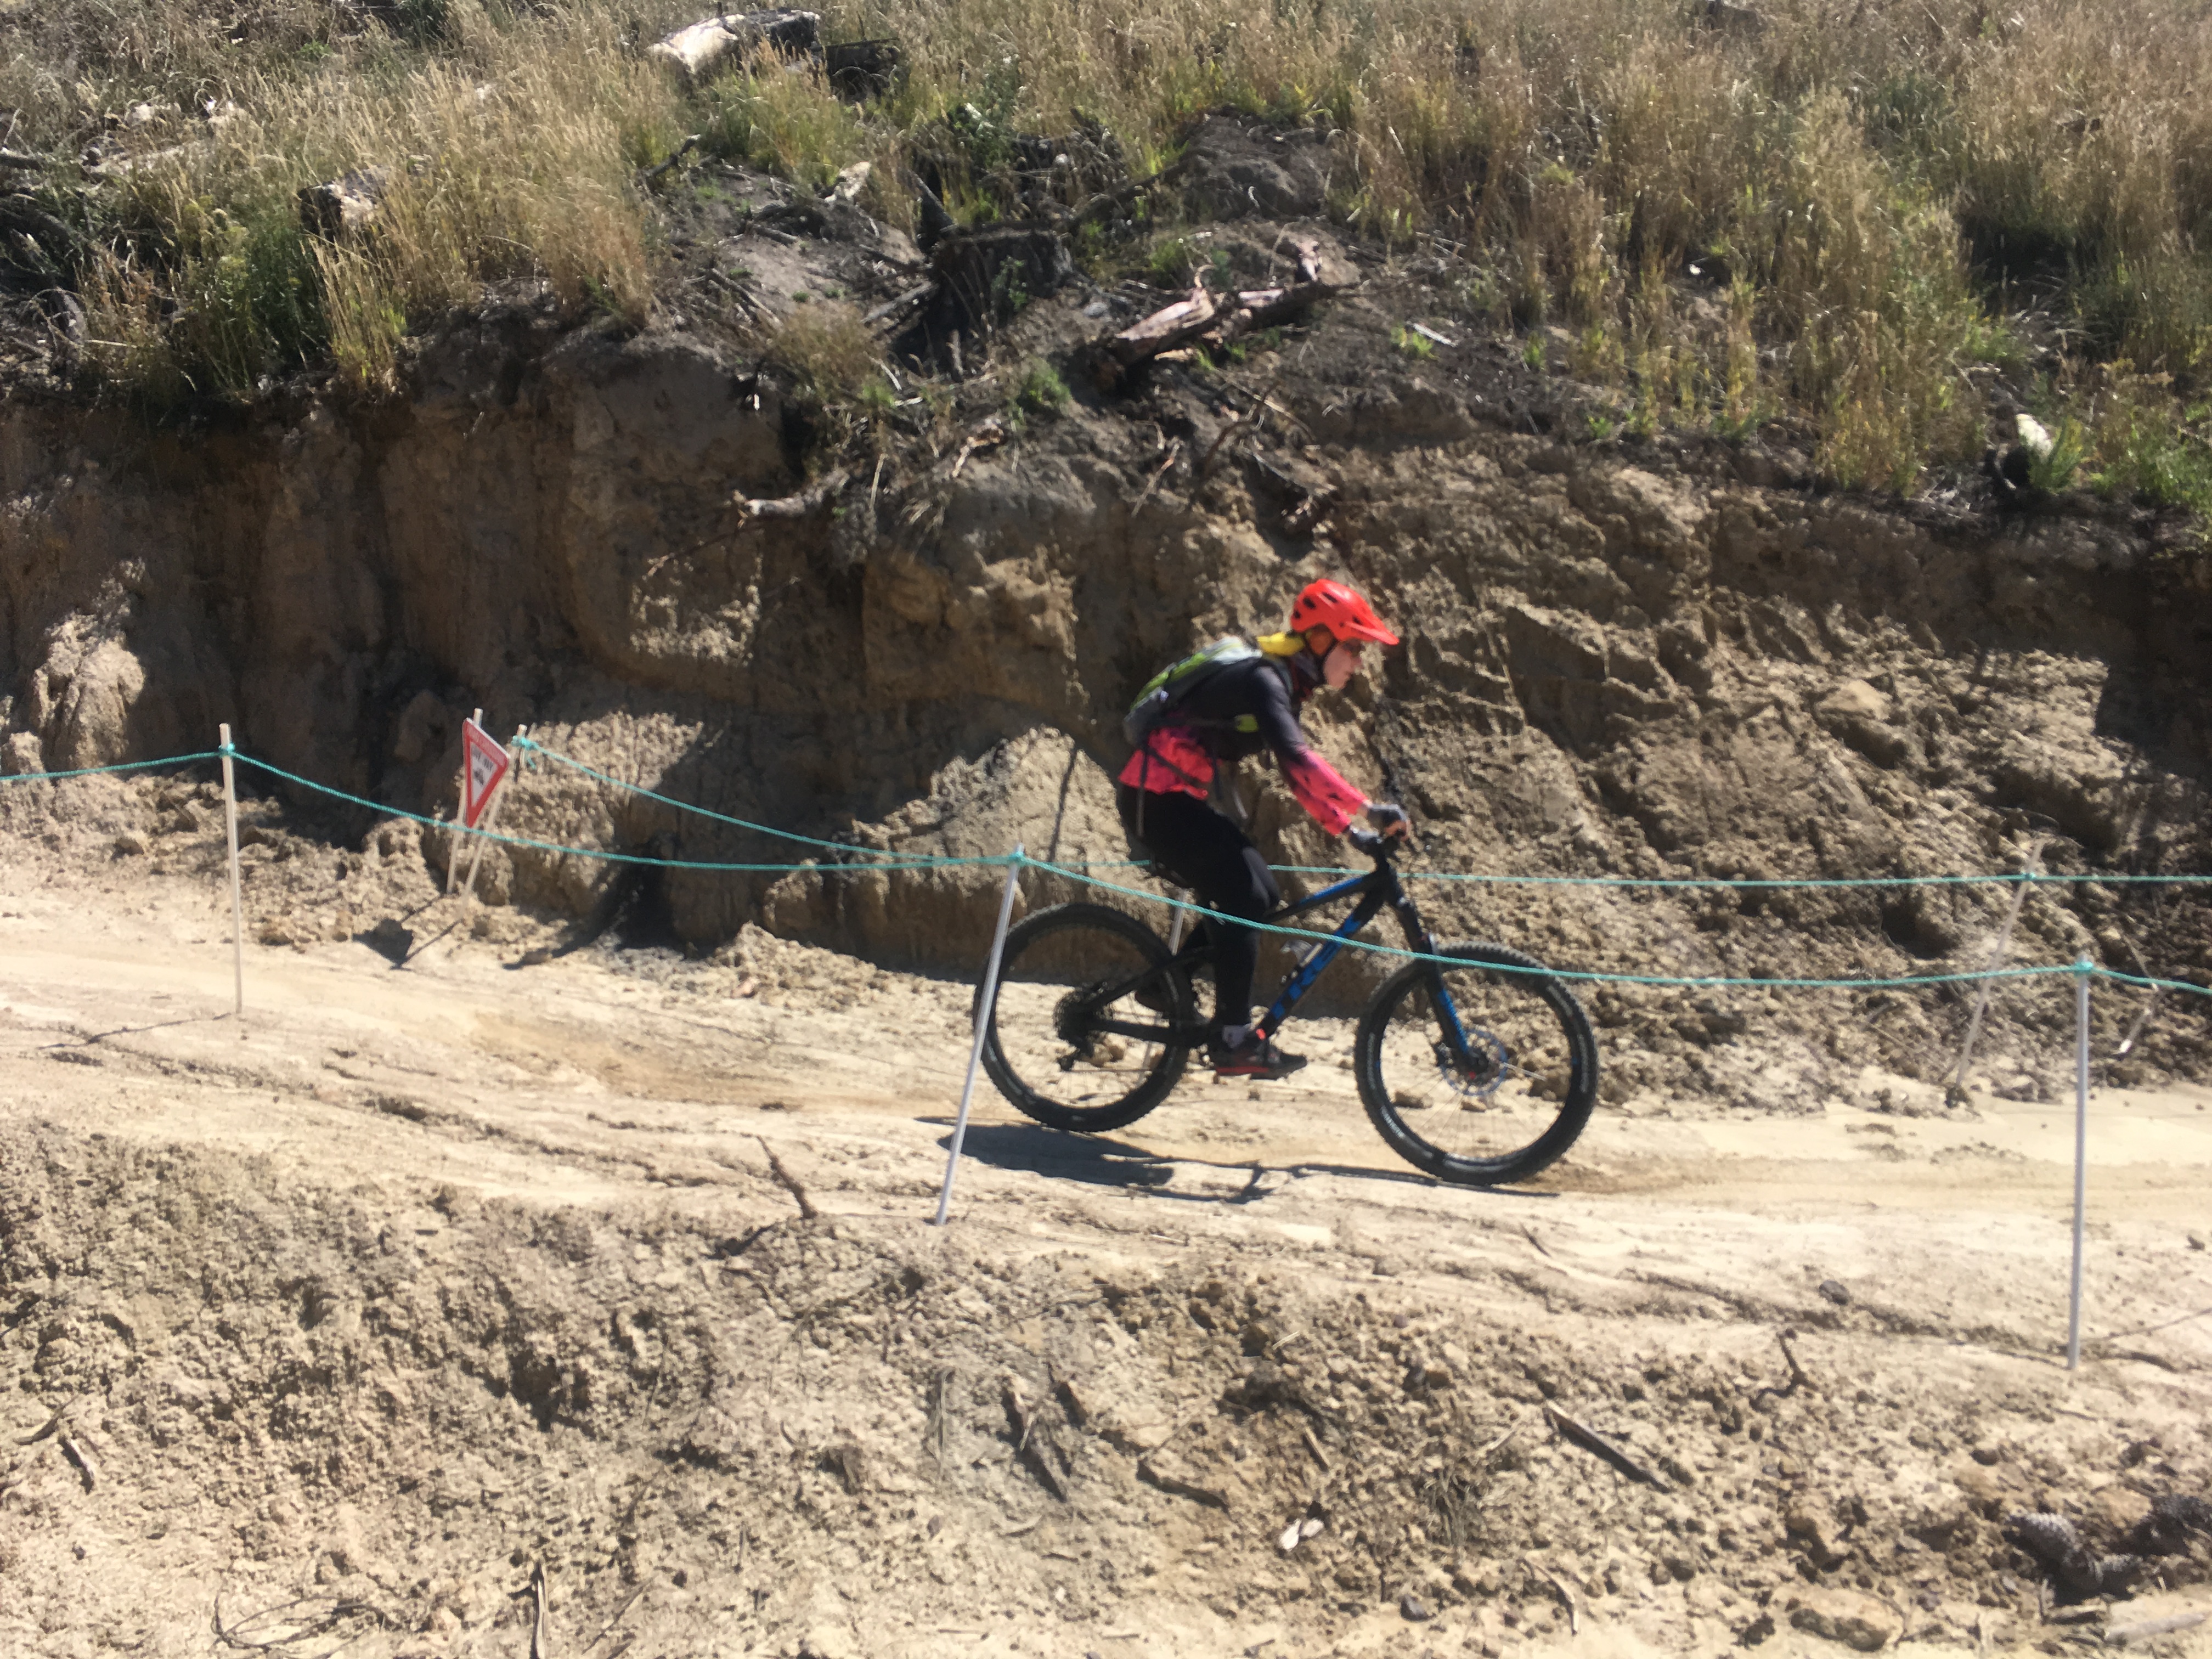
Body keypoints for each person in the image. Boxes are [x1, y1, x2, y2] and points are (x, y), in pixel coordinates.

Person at [1116, 578, 1412, 1080]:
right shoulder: (1264, 680)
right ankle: (1234, 1039)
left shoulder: (1284, 687)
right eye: (1354, 648)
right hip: (1156, 801)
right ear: (1320, 640)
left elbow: (1296, 778)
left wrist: (1348, 830)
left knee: (1262, 894)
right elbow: (1300, 760)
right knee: (1245, 896)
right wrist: (1368, 810)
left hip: (1172, 801)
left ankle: (1167, 987)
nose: (1359, 662)